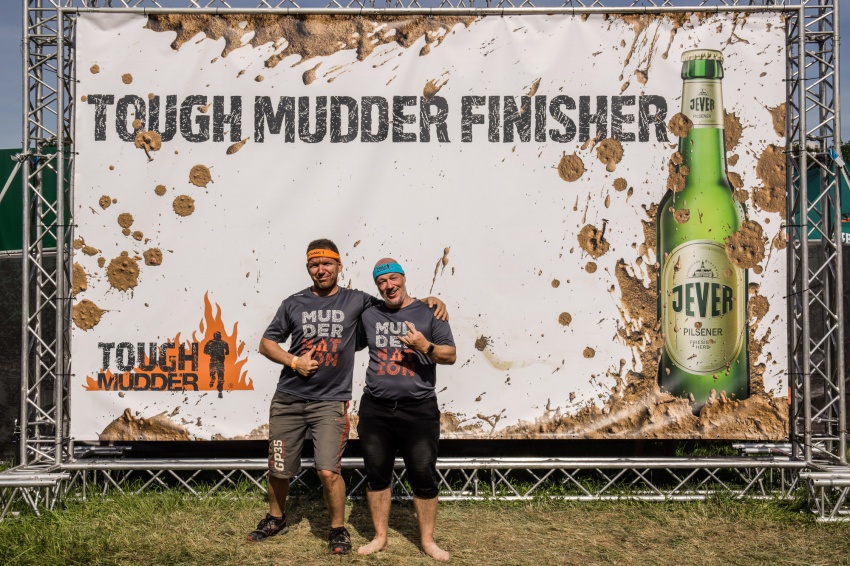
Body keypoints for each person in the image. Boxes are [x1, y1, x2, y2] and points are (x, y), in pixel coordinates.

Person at [247, 240, 446, 555]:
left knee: (328, 471)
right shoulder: (293, 302)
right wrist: (294, 362)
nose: (321, 270)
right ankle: (276, 518)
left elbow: (395, 300)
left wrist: (430, 301)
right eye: (314, 265)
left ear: (340, 266)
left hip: (330, 401)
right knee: (279, 466)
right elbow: (266, 343)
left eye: (327, 264)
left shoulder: (357, 300)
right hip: (288, 399)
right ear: (308, 268)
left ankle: (337, 528)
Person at [356, 258, 456, 561]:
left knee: (423, 474)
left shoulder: (430, 312)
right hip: (376, 408)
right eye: (382, 282)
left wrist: (425, 346)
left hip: (419, 408)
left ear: (403, 277)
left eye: (393, 279)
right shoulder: (369, 313)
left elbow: (450, 355)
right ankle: (380, 538)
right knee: (377, 475)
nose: (389, 286)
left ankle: (427, 541)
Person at [203, 331, 229, 398]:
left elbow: (205, 351)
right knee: (220, 377)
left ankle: (212, 378)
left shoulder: (210, 342)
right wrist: (224, 352)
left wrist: (211, 352)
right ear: (220, 336)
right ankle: (220, 391)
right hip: (220, 362)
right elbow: (227, 352)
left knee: (212, 373)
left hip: (213, 361)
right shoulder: (223, 343)